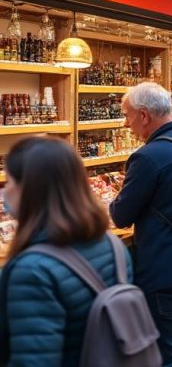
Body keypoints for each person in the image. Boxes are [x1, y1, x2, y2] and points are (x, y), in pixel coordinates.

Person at [0, 137, 134, 364]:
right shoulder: (111, 246)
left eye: (10, 182)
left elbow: (34, 358)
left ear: (30, 190)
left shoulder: (32, 270)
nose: (5, 192)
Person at [109, 82, 172, 364]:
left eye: (128, 115)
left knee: (163, 351)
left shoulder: (148, 157)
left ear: (144, 115)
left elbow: (121, 215)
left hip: (163, 268)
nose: (126, 123)